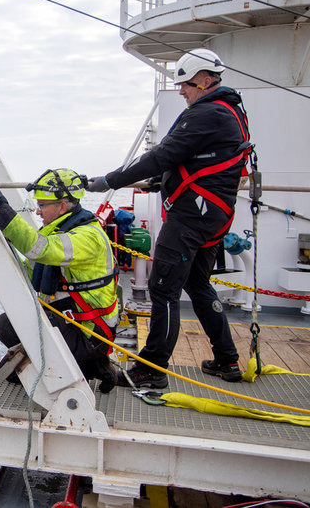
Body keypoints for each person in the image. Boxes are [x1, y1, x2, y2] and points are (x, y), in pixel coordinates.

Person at [87, 48, 250, 388]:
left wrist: (110, 180)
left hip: (192, 215)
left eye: (187, 84)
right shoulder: (229, 112)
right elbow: (201, 160)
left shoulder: (207, 114)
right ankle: (227, 360)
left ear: (206, 80)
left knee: (163, 289)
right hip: (213, 213)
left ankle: (151, 369)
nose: (182, 91)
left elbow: (163, 154)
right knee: (197, 283)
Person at [0, 168, 119, 393]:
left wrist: (3, 212)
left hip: (90, 333)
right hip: (77, 324)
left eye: (42, 205)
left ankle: (89, 363)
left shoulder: (87, 237)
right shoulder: (60, 231)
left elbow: (41, 250)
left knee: (10, 346)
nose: (37, 211)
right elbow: (31, 271)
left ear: (62, 206)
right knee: (8, 327)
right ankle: (93, 365)